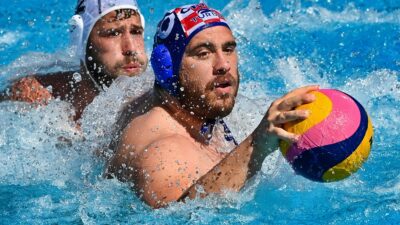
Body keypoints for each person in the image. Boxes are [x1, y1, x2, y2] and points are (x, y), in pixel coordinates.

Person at [107, 3, 318, 208]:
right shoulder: (163, 151)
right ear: (166, 68)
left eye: (228, 49)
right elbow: (180, 215)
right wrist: (257, 144)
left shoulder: (189, 105)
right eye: (203, 53)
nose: (223, 65)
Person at [0, 0, 148, 121]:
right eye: (113, 33)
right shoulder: (36, 97)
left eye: (136, 31)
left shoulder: (162, 98)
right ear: (81, 40)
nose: (131, 48)